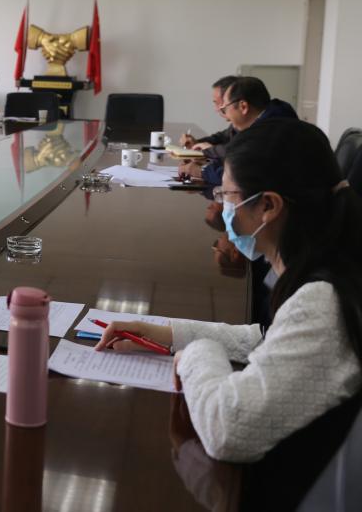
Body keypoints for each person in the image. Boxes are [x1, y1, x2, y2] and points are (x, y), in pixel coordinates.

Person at [96, 119, 362, 470]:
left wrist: (196, 353)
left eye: (226, 196)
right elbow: (270, 338)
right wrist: (167, 334)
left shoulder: (321, 302)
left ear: (268, 206)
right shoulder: (329, 264)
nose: (221, 206)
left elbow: (228, 429)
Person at [196, 76, 297, 186]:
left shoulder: (268, 132)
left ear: (243, 107)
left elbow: (239, 178)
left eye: (225, 109)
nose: (226, 115)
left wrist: (201, 171)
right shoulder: (270, 120)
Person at [179, 75, 238, 158]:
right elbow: (221, 137)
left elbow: (237, 153)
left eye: (217, 103)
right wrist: (196, 143)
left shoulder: (252, 129)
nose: (217, 109)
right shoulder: (236, 125)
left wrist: (211, 150)